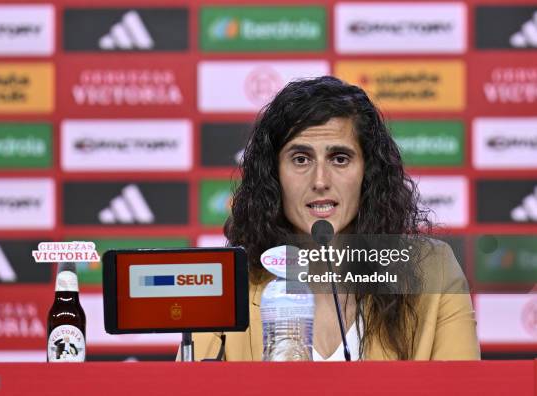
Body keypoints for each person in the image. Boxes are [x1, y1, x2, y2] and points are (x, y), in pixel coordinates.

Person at [191, 76, 480, 361]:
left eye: (340, 158)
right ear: (273, 174)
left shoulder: (433, 271)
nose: (320, 181)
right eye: (301, 159)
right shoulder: (225, 286)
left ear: (368, 173)